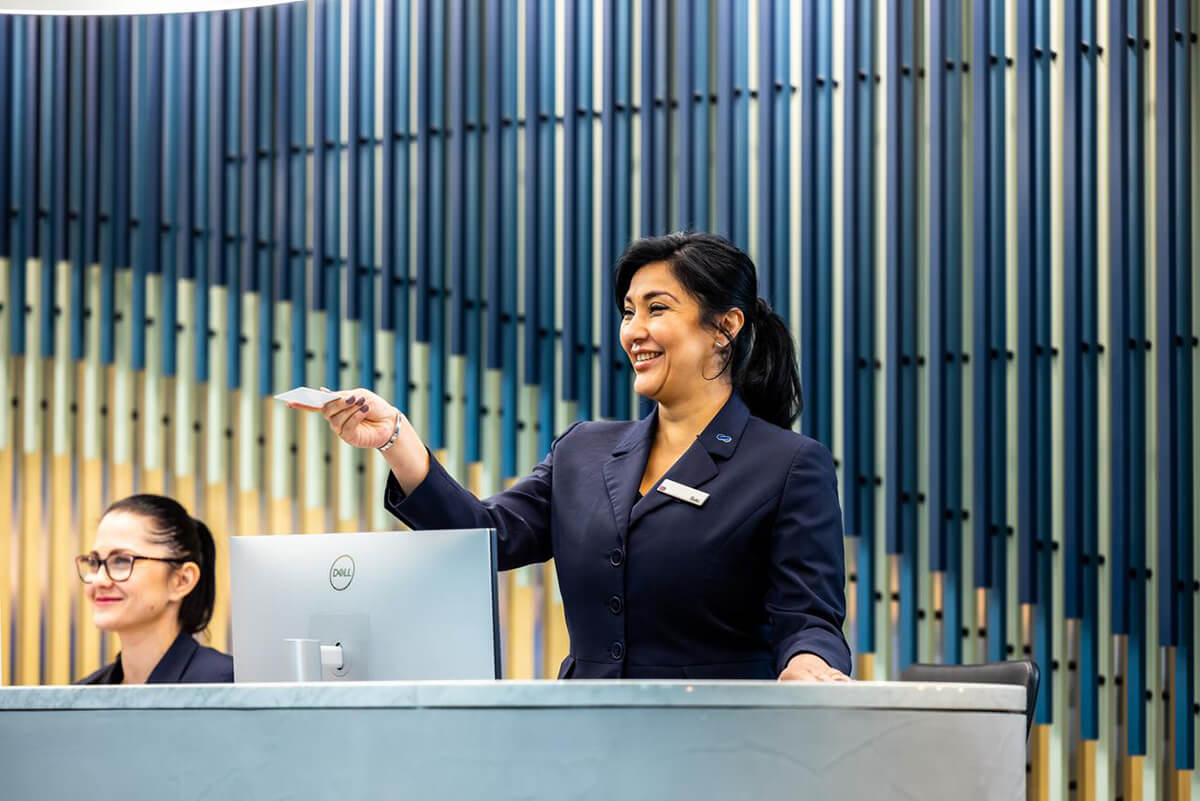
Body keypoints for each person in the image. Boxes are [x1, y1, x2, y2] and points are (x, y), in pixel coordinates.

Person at [293, 232, 851, 681]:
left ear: (724, 328)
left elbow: (808, 618)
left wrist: (809, 663)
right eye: (628, 312)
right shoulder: (583, 449)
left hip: (719, 749)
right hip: (584, 741)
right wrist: (398, 439)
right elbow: (483, 538)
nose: (634, 331)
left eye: (657, 308)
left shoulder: (789, 465)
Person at [76, 494, 233, 684]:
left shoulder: (225, 685)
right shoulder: (84, 695)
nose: (100, 580)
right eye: (94, 562)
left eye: (121, 560)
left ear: (182, 580)